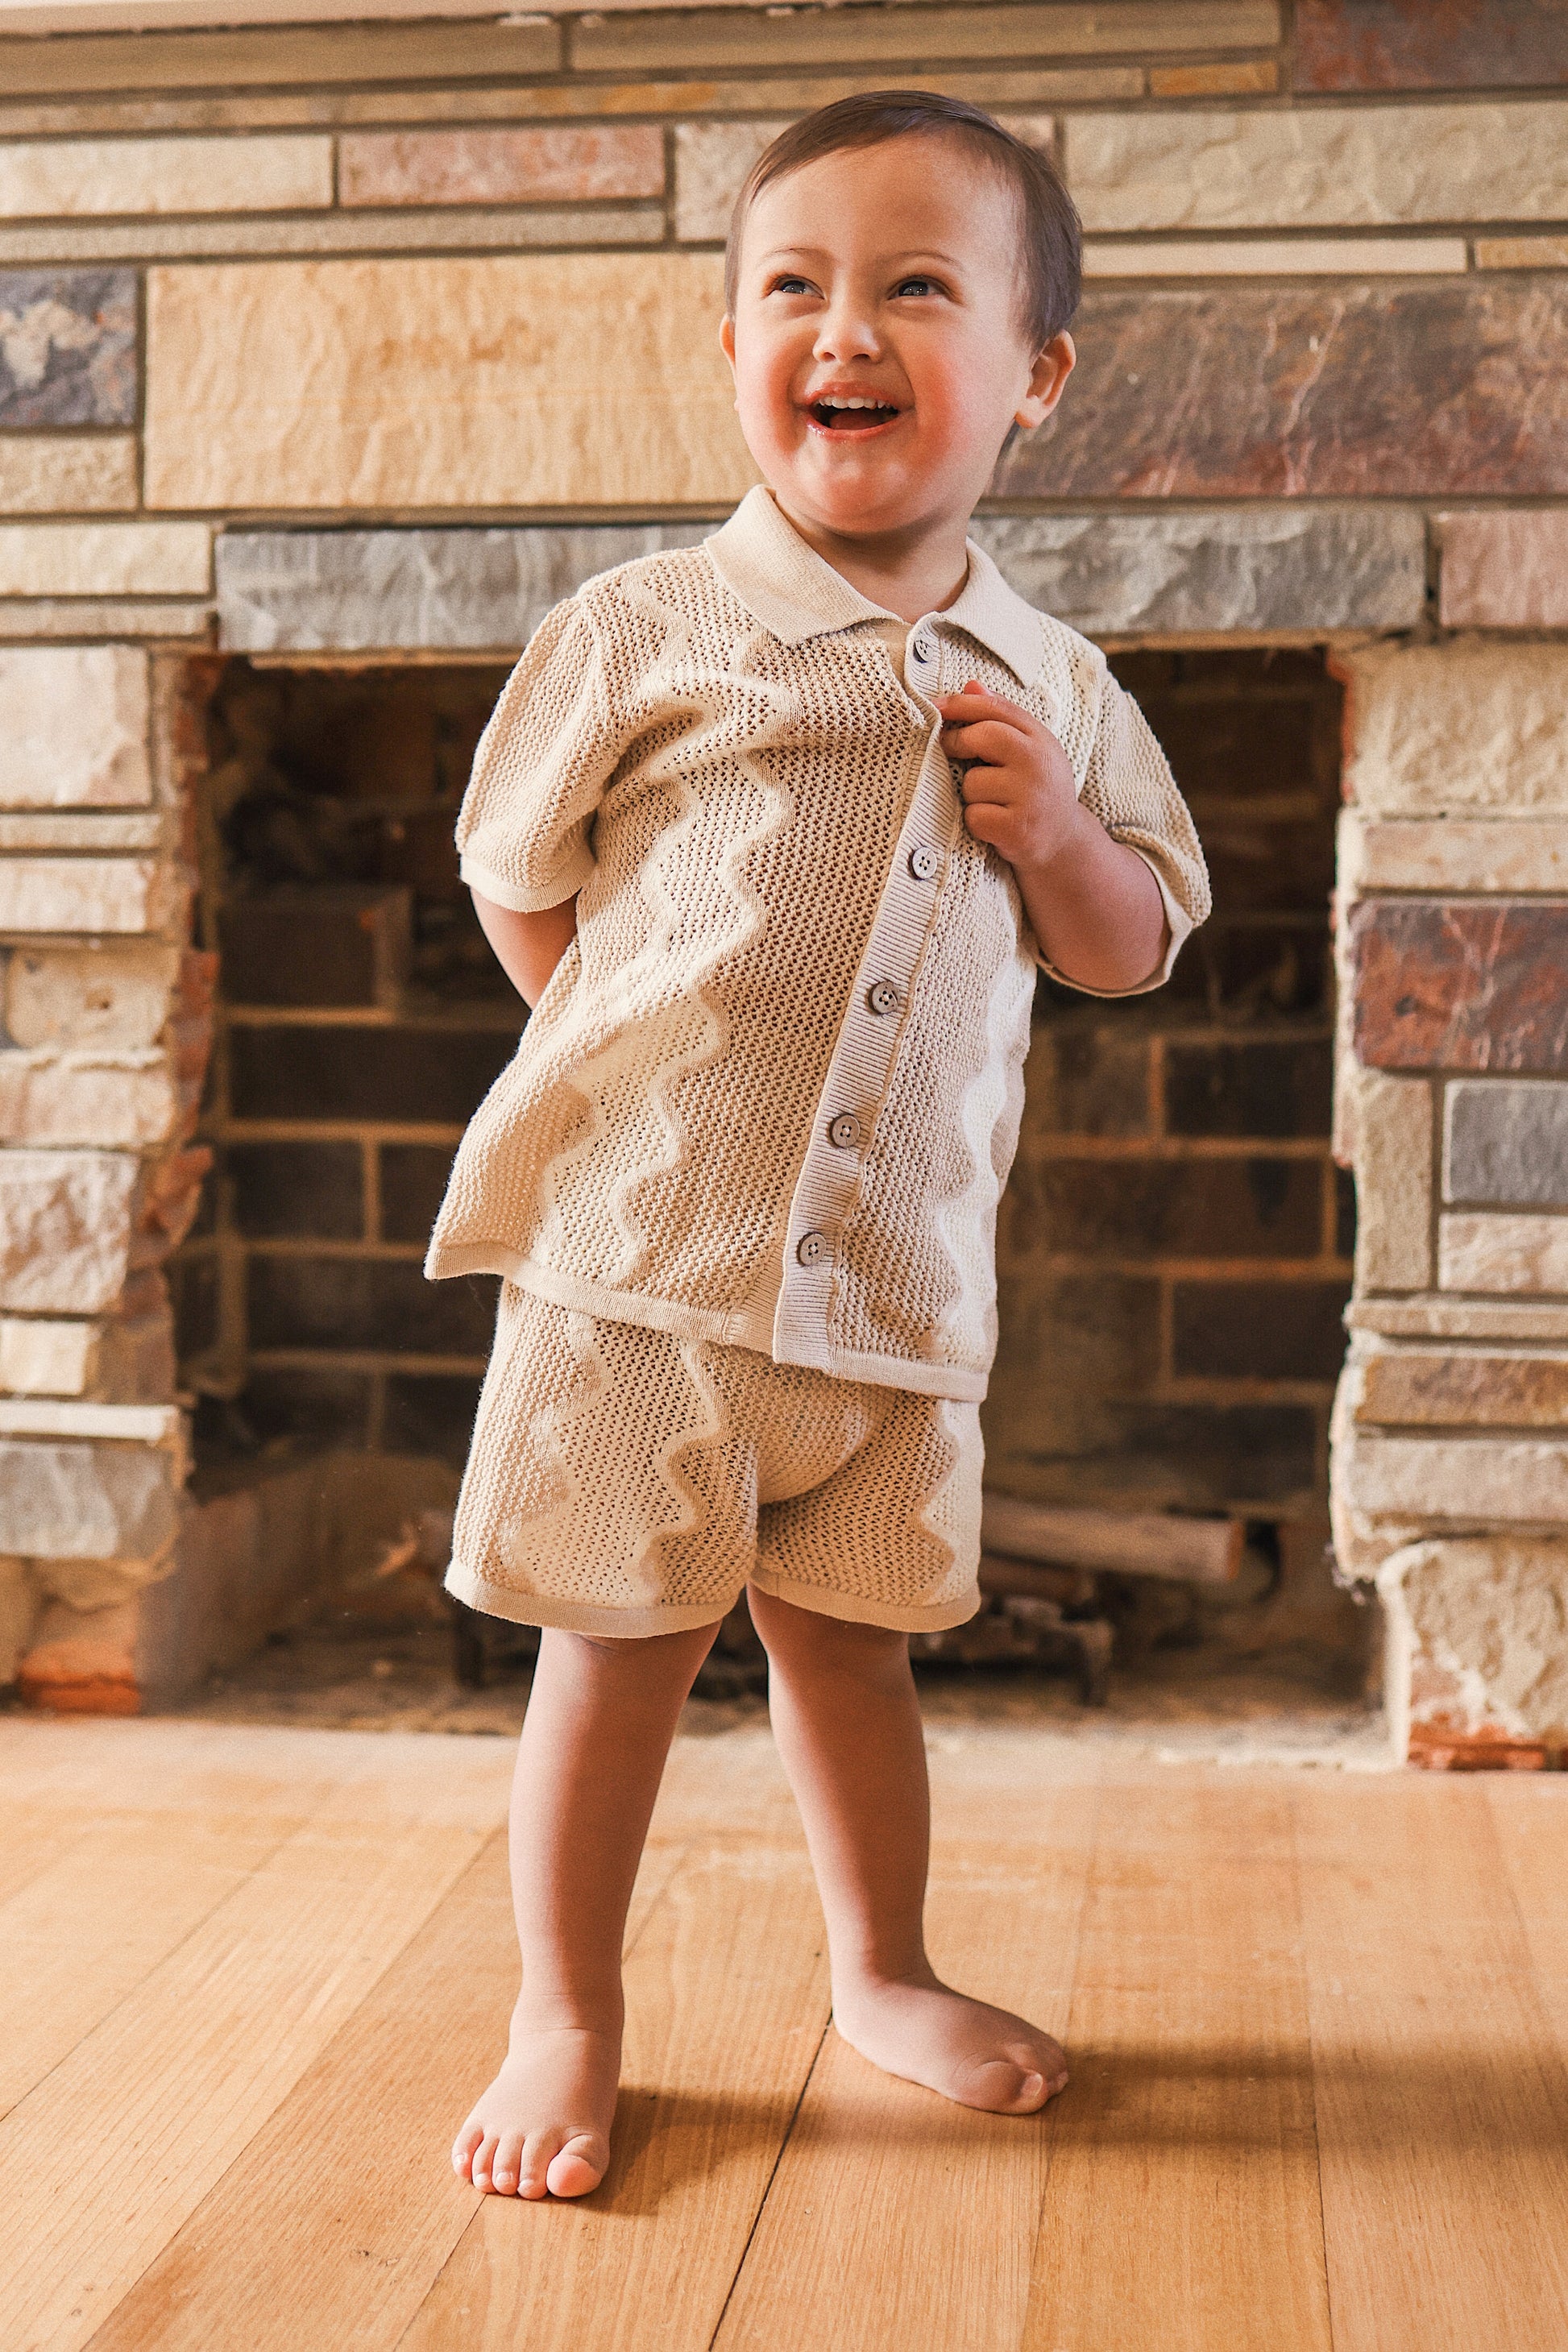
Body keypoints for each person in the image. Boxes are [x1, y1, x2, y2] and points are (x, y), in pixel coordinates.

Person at [429, 90, 1209, 2202]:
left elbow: (1129, 944)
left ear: (1035, 374)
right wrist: (622, 1072)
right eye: (794, 286)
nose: (842, 326)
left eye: (916, 286)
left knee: (849, 1652)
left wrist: (1059, 834)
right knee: (615, 1652)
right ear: (732, 346)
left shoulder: (1059, 682)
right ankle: (565, 2011)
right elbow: (516, 872)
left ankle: (883, 1968)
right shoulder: (643, 631)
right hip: (643, 1278)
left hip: (890, 1300)